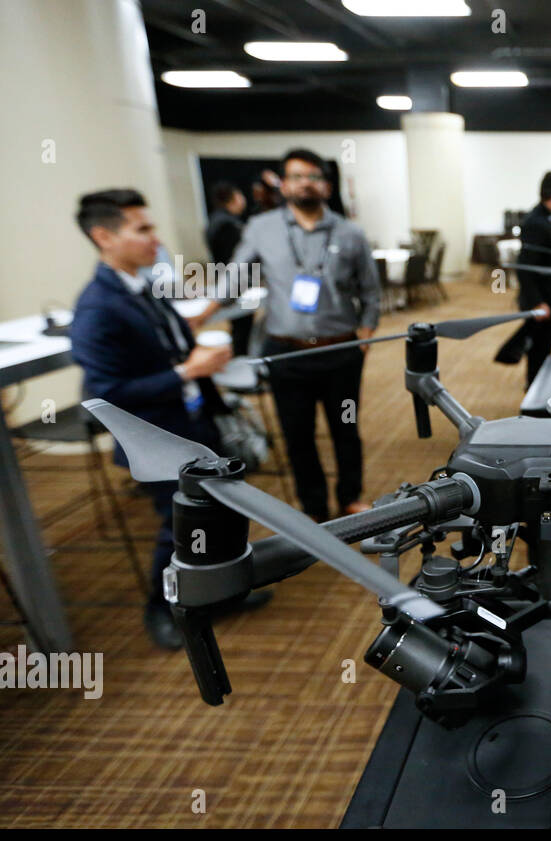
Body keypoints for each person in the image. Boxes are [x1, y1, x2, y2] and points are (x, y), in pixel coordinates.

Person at [68, 189, 236, 649]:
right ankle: (163, 610)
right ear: (103, 236)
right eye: (142, 230)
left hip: (188, 419)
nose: (155, 239)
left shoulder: (140, 285)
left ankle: (219, 592)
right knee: (178, 527)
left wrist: (193, 355)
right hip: (152, 436)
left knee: (214, 513)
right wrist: (188, 369)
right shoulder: (97, 306)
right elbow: (106, 394)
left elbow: (170, 342)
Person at [224, 148, 381, 522]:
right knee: (298, 436)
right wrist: (197, 315)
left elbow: (371, 292)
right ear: (283, 183)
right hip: (285, 354)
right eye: (296, 176)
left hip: (341, 351)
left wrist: (365, 336)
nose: (305, 183)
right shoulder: (262, 228)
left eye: (313, 176)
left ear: (326, 185)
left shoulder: (350, 233)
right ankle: (313, 509)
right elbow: (231, 280)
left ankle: (349, 496)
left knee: (346, 427)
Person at [494, 171, 551, 384]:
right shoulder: (536, 222)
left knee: (543, 348)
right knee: (537, 351)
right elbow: (525, 268)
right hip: (539, 299)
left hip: (549, 296)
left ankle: (537, 390)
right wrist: (538, 302)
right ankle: (533, 397)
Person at [204, 182, 252, 354]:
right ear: (234, 198)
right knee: (242, 324)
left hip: (226, 279)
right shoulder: (227, 225)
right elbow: (236, 260)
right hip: (235, 283)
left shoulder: (215, 220)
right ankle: (240, 359)